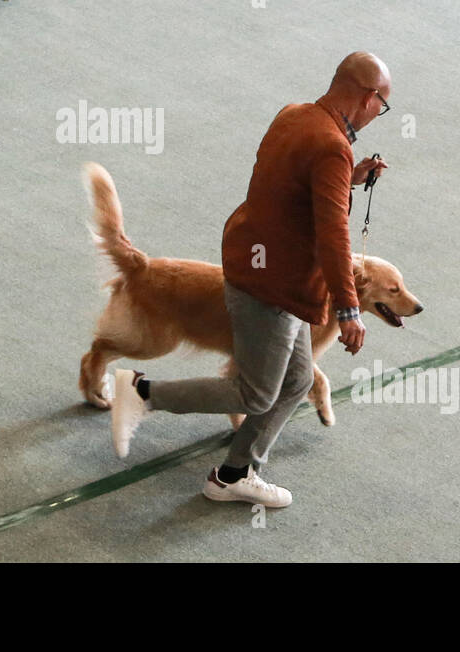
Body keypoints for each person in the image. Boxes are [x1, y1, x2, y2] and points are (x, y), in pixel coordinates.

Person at [110, 52, 393, 507]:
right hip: (276, 287)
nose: (380, 113)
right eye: (384, 103)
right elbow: (333, 235)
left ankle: (234, 474)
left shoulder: (296, 115)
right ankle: (142, 393)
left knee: (297, 382)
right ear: (367, 96)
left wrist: (349, 180)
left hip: (252, 261)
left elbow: (293, 188)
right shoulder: (334, 147)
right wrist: (348, 308)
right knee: (256, 393)